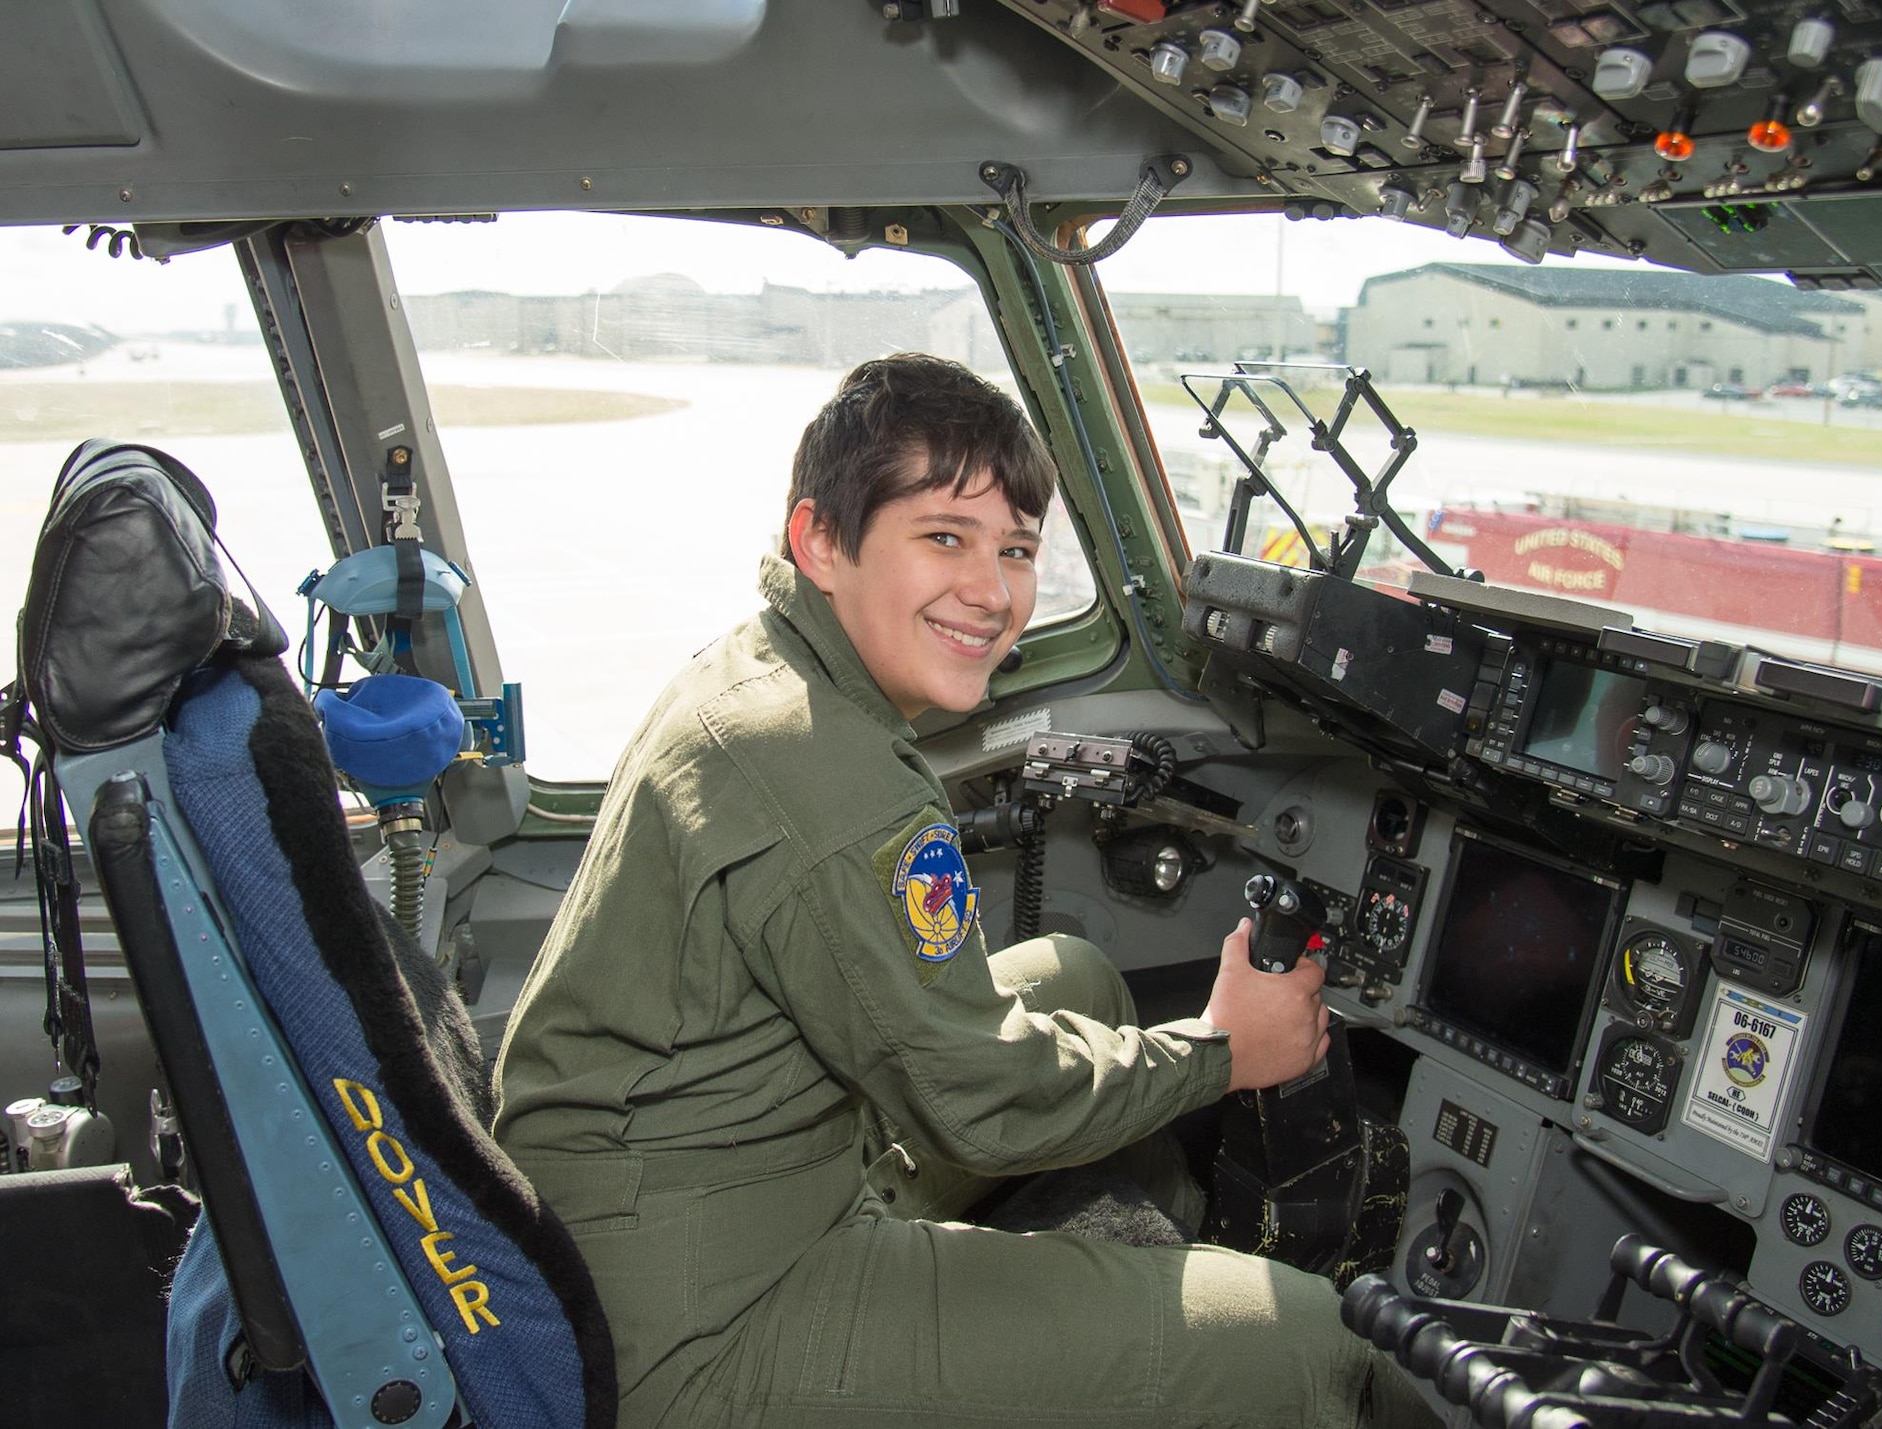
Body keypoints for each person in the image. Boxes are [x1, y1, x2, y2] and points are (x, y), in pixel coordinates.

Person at [492, 353, 1438, 1429]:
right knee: (1310, 1341)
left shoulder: (764, 670)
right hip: (691, 1327)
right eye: (943, 537)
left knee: (1076, 976)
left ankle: (1146, 1300)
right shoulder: (829, 773)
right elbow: (984, 1104)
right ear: (821, 541)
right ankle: (1197, 1344)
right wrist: (1226, 1049)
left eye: (1017, 549)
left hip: (653, 1197)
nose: (992, 594)